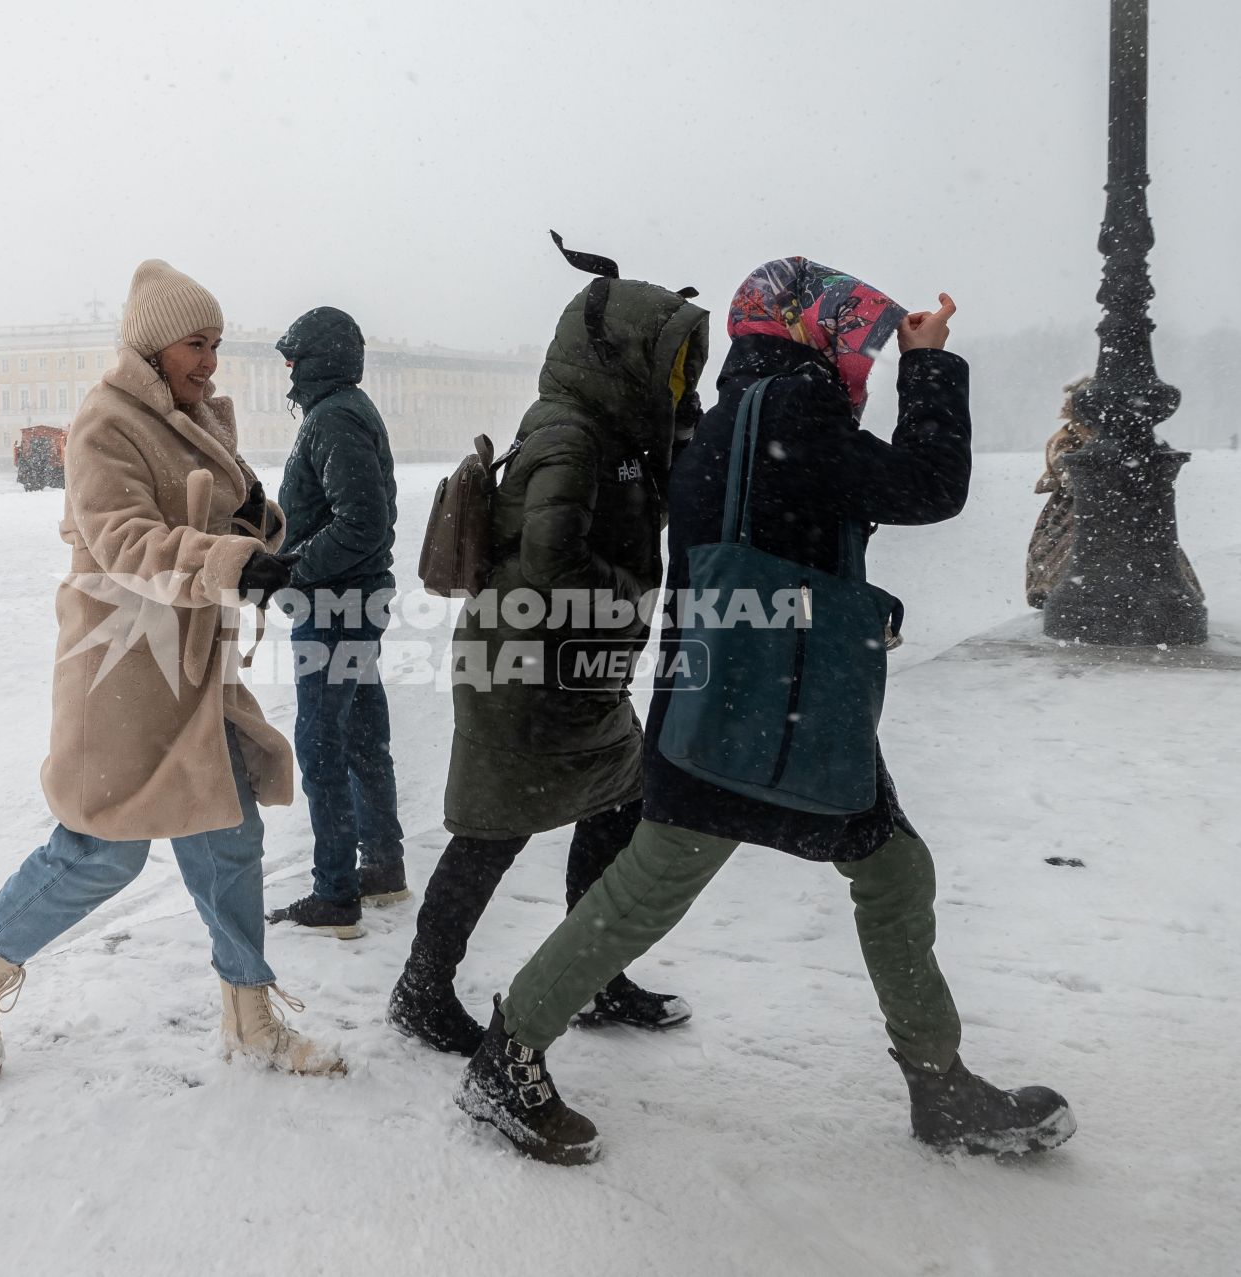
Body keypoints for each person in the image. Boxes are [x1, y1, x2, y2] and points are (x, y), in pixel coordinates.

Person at [454, 258, 1077, 1164]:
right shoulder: (788, 410)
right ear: (808, 330)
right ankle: (506, 1058)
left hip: (739, 697)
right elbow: (929, 488)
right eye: (853, 339)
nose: (861, 360)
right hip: (765, 705)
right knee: (700, 884)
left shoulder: (735, 418)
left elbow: (773, 546)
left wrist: (860, 612)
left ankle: (938, 1082)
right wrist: (930, 366)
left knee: (868, 871)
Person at [0, 259, 343, 1080]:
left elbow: (218, 517)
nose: (210, 361)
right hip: (121, 667)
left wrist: (258, 524)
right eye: (196, 343)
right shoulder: (104, 424)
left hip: (192, 668)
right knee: (100, 852)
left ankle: (248, 1014)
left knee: (230, 834)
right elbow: (123, 542)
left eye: (217, 344)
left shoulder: (200, 418)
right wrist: (235, 561)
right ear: (154, 345)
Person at [388, 243, 708, 1055]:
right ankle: (422, 988)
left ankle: (592, 969)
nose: (679, 384)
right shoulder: (570, 436)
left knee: (618, 802)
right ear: (622, 357)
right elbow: (551, 560)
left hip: (578, 669)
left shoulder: (621, 433)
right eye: (669, 366)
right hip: (522, 670)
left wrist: (680, 429)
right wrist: (633, 588)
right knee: (494, 830)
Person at [264, 306, 407, 938]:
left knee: (322, 742)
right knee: (360, 737)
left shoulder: (334, 418)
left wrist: (289, 570)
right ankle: (381, 867)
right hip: (353, 602)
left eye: (293, 356)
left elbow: (361, 524)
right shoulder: (343, 411)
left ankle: (335, 893)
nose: (288, 369)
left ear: (317, 358)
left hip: (335, 609)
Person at [1026, 376, 1203, 609]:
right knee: (1072, 550)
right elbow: (1069, 478)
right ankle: (1064, 595)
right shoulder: (1065, 438)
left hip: (1115, 502)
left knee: (1145, 544)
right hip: (1076, 507)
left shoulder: (1114, 432)